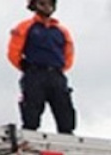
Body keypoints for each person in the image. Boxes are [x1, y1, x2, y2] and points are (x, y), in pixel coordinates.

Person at [8, 0, 76, 134]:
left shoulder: (61, 31)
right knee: (31, 113)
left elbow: (69, 54)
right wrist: (25, 67)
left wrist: (59, 70)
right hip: (35, 74)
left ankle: (67, 140)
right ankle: (28, 138)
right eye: (42, 3)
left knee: (65, 112)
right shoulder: (25, 26)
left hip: (56, 75)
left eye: (50, 4)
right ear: (34, 5)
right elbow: (13, 51)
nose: (46, 7)